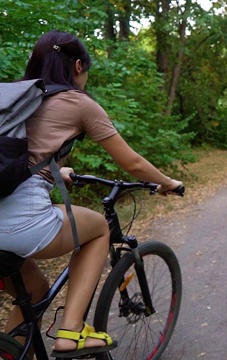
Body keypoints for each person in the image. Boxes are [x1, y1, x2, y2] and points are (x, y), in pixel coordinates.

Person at [0, 30, 183, 358]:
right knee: (99, 228)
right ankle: (71, 331)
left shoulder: (13, 98)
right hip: (19, 221)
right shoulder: (77, 102)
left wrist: (57, 169)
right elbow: (133, 162)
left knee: (36, 292)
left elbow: (17, 157)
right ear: (79, 65)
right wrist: (167, 182)